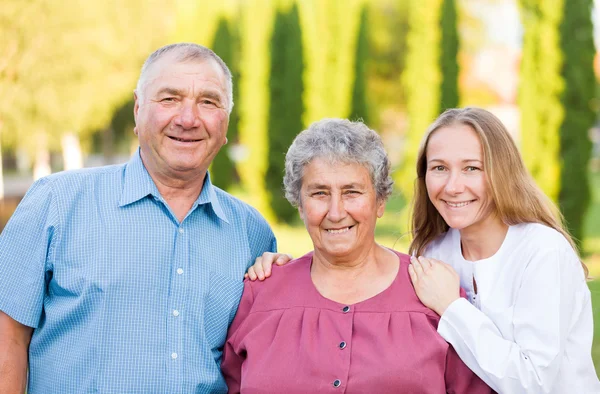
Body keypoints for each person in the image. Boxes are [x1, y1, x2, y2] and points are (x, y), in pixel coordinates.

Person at [0, 43, 277, 393]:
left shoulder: (253, 234)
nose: (188, 118)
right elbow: (6, 336)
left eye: (208, 102)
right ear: (137, 109)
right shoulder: (56, 203)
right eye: (169, 99)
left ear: (225, 122)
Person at [221, 118, 491, 393]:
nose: (336, 212)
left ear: (381, 201)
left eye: (352, 192)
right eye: (319, 193)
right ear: (300, 205)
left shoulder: (435, 292)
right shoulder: (261, 293)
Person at [407, 107, 600, 393]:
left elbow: (533, 382)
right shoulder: (431, 255)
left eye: (471, 168)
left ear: (501, 172)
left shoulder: (542, 252)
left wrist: (451, 307)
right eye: (439, 168)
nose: (452, 186)